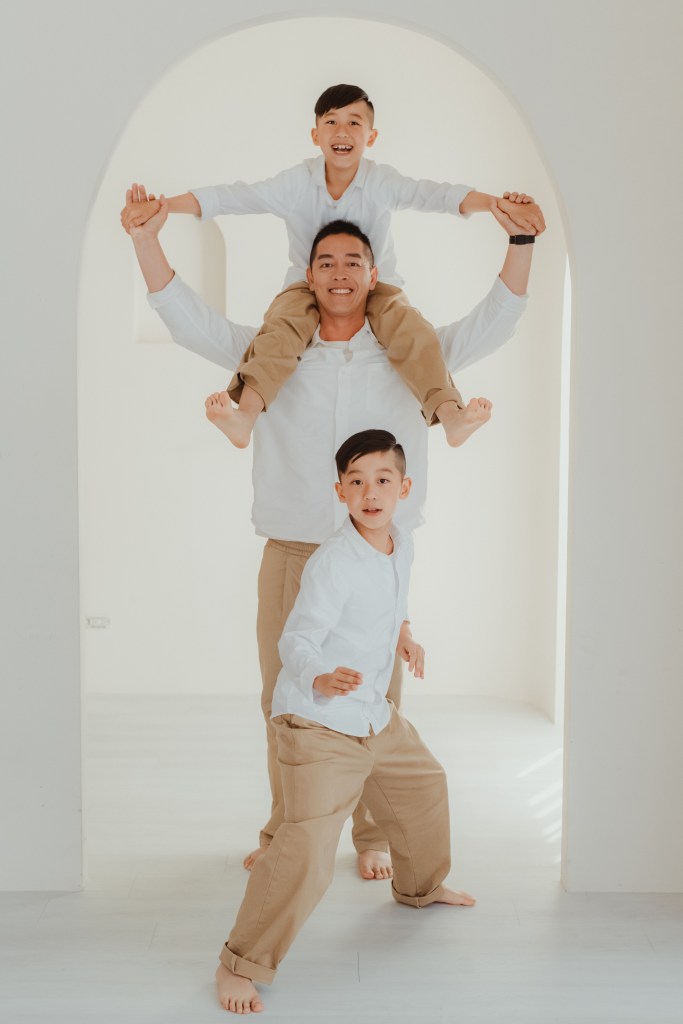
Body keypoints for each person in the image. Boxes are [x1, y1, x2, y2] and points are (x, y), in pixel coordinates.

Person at [124, 194, 538, 881]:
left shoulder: (412, 350)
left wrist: (519, 243)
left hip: (376, 555)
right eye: (325, 262)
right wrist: (146, 239)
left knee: (376, 704)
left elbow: (497, 318)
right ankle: (285, 831)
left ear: (374, 275)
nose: (339, 273)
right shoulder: (272, 348)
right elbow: (187, 318)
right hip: (294, 546)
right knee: (285, 699)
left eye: (353, 261)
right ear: (307, 276)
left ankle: (371, 835)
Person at [121, 82, 545, 450]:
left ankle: (450, 415)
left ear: (371, 136)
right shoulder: (295, 184)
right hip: (303, 290)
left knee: (412, 331)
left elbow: (437, 195)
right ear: (315, 134)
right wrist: (161, 208)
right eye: (332, 122)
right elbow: (233, 197)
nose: (342, 131)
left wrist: (498, 206)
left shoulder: (381, 182)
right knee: (280, 333)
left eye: (354, 123)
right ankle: (244, 416)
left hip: (381, 288)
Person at [215, 427, 476, 1014]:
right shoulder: (333, 561)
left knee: (425, 786)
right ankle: (239, 963)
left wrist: (404, 634)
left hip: (373, 716)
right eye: (355, 482)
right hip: (319, 722)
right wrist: (320, 676)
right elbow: (297, 638)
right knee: (307, 846)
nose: (369, 492)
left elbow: (392, 599)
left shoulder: (402, 542)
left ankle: (421, 888)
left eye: (382, 479)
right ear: (340, 492)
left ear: (404, 487)